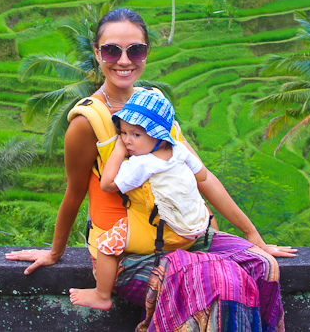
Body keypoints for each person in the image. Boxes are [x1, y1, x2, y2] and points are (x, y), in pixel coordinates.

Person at [6, 7, 296, 332]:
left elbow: (201, 177)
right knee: (221, 283)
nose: (124, 60)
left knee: (262, 265)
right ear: (97, 53)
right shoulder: (88, 122)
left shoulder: (155, 105)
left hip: (184, 236)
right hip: (129, 253)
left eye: (136, 50)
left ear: (147, 53)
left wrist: (254, 237)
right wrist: (54, 253)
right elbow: (74, 194)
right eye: (112, 50)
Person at [69, 89, 211, 310]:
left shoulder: (140, 165)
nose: (127, 140)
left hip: (163, 236)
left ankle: (102, 295)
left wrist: (117, 151)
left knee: (107, 245)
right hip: (193, 229)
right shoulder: (179, 149)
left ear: (158, 136)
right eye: (124, 133)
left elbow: (107, 184)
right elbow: (202, 175)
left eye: (136, 135)